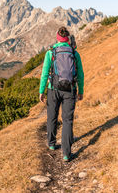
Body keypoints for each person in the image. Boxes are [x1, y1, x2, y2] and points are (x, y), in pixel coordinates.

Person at [39, 26, 84, 162]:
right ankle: (66, 153)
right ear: (68, 39)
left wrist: (41, 91)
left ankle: (52, 144)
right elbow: (80, 74)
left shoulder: (51, 53)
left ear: (57, 38)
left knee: (52, 116)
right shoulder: (74, 53)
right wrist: (80, 91)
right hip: (69, 90)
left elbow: (45, 74)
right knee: (67, 120)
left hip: (53, 89)